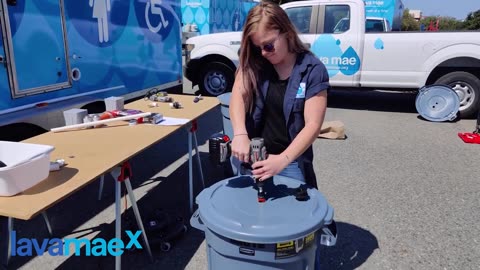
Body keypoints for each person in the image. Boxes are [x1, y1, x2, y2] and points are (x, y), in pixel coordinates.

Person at [229, 1, 329, 189]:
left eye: (268, 45)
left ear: (286, 32)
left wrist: (282, 160)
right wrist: (240, 134)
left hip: (290, 162)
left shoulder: (313, 70)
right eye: (257, 46)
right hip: (254, 159)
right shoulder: (255, 60)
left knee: (293, 214)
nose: (263, 53)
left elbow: (313, 124)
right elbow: (238, 94)